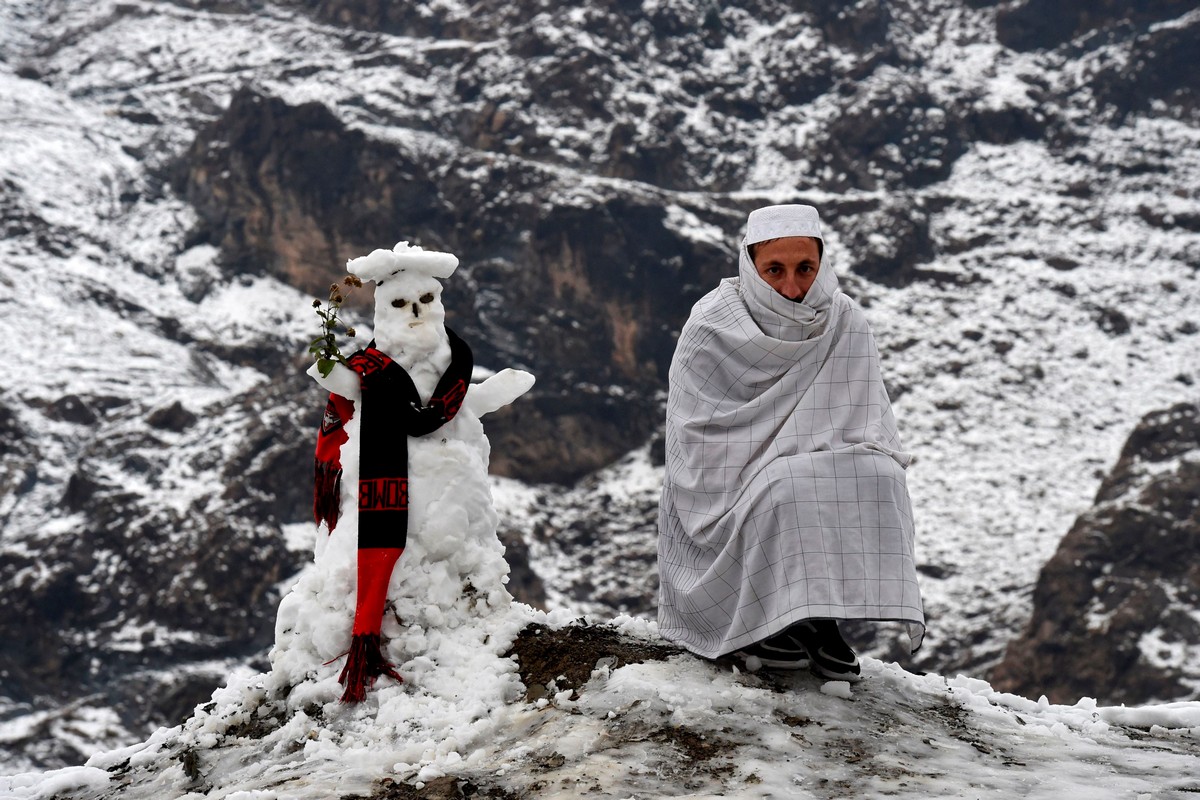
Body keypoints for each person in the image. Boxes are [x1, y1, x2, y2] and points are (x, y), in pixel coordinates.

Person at [656, 204, 925, 681]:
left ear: (822, 265)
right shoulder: (712, 325)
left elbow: (868, 423)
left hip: (813, 465)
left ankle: (819, 619)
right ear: (750, 266)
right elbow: (693, 435)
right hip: (732, 484)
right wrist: (782, 463)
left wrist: (819, 458)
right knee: (789, 483)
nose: (792, 287)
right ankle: (761, 624)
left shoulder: (846, 322)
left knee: (880, 476)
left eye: (805, 269)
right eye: (774, 271)